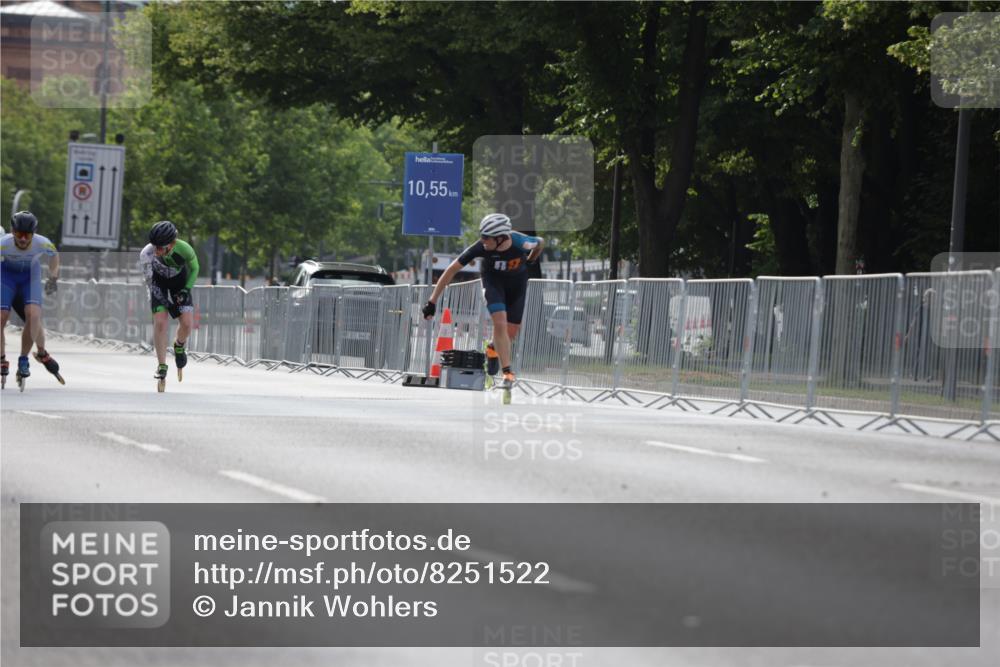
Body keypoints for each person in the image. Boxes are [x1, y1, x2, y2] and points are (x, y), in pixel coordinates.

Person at [422, 213, 544, 387]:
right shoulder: (480, 248)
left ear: (501, 238)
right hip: (493, 282)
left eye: (487, 237)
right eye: (482, 236)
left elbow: (541, 243)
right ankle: (508, 373)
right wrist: (432, 301)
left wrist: (531, 260)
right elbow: (451, 270)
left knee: (511, 332)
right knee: (500, 322)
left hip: (517, 284)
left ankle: (493, 349)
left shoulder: (521, 242)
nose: (483, 240)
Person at [0, 211, 62, 385]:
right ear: (12, 232)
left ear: (33, 233)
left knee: (34, 316)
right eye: (19, 234)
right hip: (7, 278)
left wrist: (53, 277)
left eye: (27, 235)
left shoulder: (42, 242)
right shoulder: (3, 244)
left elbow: (54, 256)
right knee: (1, 316)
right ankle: (2, 358)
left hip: (30, 278)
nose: (23, 239)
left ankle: (24, 359)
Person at [139, 221, 199, 383]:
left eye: (160, 247)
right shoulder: (147, 254)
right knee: (160, 322)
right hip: (158, 283)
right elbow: (151, 284)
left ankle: (179, 345)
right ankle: (162, 364)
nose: (156, 251)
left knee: (187, 324)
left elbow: (195, 268)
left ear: (172, 244)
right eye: (154, 246)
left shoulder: (184, 248)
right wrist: (168, 305)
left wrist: (186, 289)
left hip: (179, 282)